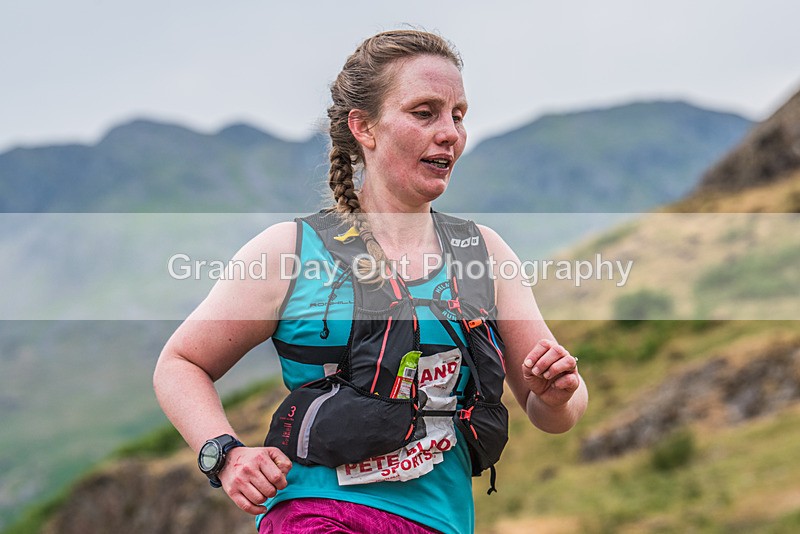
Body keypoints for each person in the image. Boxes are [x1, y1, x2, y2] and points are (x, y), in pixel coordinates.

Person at [154, 29, 588, 534]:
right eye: (424, 113)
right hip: (316, 515)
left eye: (458, 115)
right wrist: (224, 454)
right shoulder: (289, 252)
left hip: (440, 521)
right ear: (364, 127)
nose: (449, 132)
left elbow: (556, 413)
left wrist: (557, 393)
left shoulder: (484, 254)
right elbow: (180, 363)